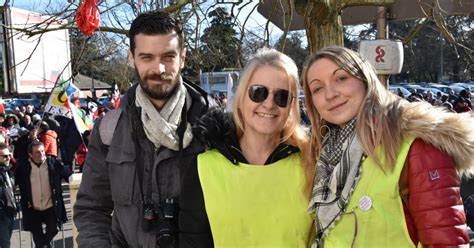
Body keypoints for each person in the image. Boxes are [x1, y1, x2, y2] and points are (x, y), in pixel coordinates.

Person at [302, 46, 473, 247]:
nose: (330, 94)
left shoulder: (418, 146)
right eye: (317, 88)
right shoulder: (321, 155)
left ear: (365, 80)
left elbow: (445, 241)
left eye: (341, 78)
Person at [73, 10, 214, 247]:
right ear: (132, 57)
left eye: (168, 57)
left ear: (183, 57)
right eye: (147, 57)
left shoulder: (213, 128)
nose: (158, 69)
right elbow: (91, 208)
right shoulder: (110, 130)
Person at [179, 48, 314, 247]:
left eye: (282, 97)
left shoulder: (311, 163)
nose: (269, 104)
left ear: (291, 106)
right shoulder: (203, 167)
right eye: (258, 93)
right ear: (241, 97)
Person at [15, 140, 72, 248]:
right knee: (38, 238)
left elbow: (69, 176)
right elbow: (14, 181)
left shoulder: (54, 163)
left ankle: (45, 244)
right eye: (37, 152)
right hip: (32, 208)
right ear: (30, 154)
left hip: (50, 206)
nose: (41, 154)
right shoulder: (23, 167)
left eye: (42, 151)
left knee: (54, 229)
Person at [0, 143, 16, 248]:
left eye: (9, 155)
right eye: (5, 156)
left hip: (10, 213)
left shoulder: (7, 171)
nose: (8, 158)